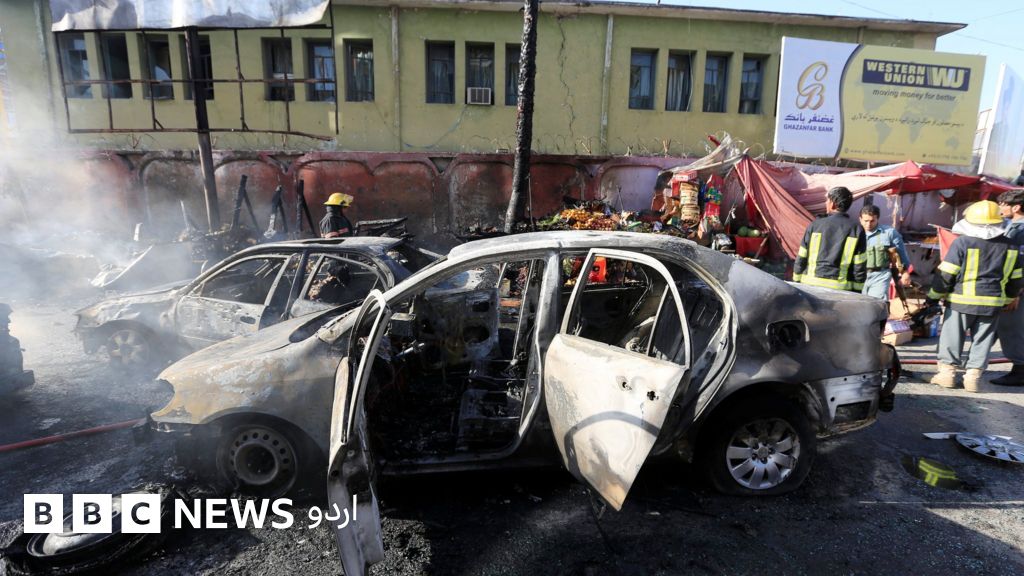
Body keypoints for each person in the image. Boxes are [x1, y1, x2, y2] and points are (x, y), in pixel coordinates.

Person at [927, 200, 1024, 392]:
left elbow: (946, 274)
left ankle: (947, 375)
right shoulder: (1011, 246)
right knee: (983, 341)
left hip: (961, 302)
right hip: (993, 303)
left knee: (952, 338)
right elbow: (1016, 279)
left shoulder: (962, 242)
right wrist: (1008, 299)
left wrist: (933, 296)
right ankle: (972, 378)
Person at [793, 186, 867, 292]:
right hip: (840, 289)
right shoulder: (856, 229)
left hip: (810, 286)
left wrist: (796, 281)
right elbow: (859, 264)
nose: (826, 203)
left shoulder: (815, 225)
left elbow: (801, 257)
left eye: (827, 200)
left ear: (833, 204)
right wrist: (857, 290)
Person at [992, 190, 1024, 386]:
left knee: (1012, 328)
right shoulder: (1012, 226)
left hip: (1017, 289)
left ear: (1016, 207)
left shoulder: (1020, 230)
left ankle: (1020, 371)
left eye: (1003, 204)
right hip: (1014, 286)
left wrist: (1016, 292)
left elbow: (1020, 262)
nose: (1000, 208)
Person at [859, 204, 912, 300]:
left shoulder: (889, 233)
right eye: (865, 221)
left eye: (872, 221)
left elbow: (901, 254)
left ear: (877, 219)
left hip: (880, 276)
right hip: (859, 276)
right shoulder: (855, 233)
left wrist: (905, 273)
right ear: (860, 219)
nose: (868, 224)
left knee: (877, 304)